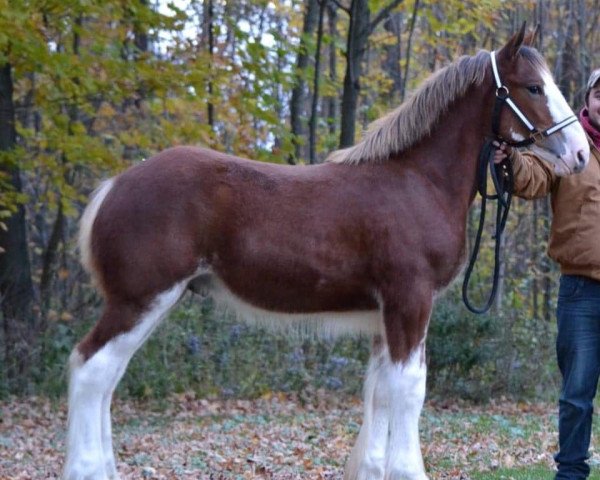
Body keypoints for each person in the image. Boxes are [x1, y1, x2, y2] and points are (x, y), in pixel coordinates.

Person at [494, 69, 600, 479]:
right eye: (599, 94)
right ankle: (571, 473)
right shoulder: (568, 146)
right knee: (577, 396)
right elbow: (533, 178)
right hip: (580, 293)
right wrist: (512, 161)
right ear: (587, 99)